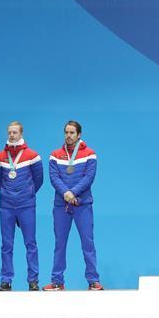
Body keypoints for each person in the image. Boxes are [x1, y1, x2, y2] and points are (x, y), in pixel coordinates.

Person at [45, 120, 103, 290]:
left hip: (82, 205)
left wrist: (73, 193)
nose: (68, 136)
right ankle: (57, 281)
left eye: (72, 133)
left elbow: (89, 177)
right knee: (60, 244)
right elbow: (54, 177)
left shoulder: (90, 154)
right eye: (66, 132)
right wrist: (66, 193)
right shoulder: (55, 155)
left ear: (79, 135)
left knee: (87, 243)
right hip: (61, 205)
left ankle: (93, 280)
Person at [0, 121, 43, 291]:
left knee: (31, 244)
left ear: (21, 133)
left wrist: (27, 194)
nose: (12, 135)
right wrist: (8, 194)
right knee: (6, 245)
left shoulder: (32, 155)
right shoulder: (0, 157)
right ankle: (6, 280)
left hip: (26, 205)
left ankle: (33, 280)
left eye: (15, 132)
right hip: (6, 206)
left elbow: (38, 180)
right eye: (9, 132)